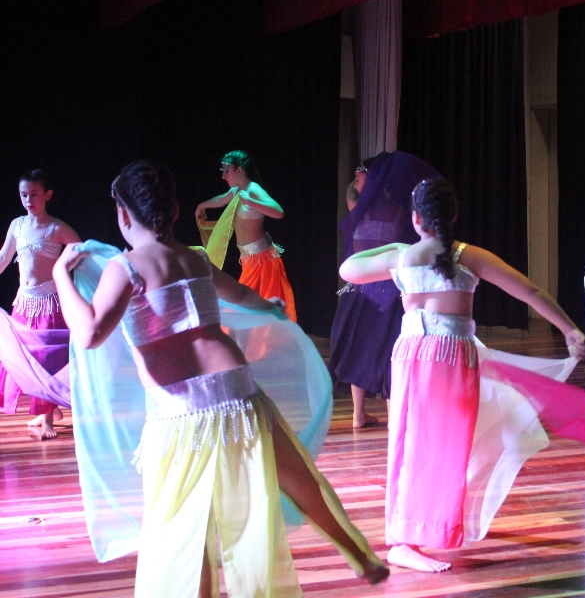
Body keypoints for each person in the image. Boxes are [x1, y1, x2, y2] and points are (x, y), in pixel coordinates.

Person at [53, 161, 386, 597]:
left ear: (123, 215)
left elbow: (90, 333)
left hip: (180, 409)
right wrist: (269, 307)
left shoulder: (126, 267)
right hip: (234, 387)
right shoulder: (193, 257)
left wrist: (60, 275)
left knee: (187, 527)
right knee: (296, 479)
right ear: (174, 210)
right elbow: (242, 294)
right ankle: (359, 554)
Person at [340, 177, 585, 573]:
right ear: (453, 215)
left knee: (416, 445)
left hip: (413, 355)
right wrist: (569, 329)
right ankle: (406, 538)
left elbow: (348, 269)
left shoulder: (402, 258)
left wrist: (394, 245)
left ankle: (419, 529)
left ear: (416, 218)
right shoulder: (468, 255)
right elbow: (530, 292)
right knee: (442, 446)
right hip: (450, 356)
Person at [329, 153, 440, 428]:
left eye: (360, 173)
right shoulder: (397, 209)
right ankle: (384, 417)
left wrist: (363, 178)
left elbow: (352, 193)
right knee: (385, 351)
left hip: (366, 291)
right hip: (384, 291)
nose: (356, 178)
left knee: (367, 350)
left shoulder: (359, 206)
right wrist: (366, 176)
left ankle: (361, 414)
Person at [0, 168, 80, 439]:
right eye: (24, 194)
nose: (28, 200)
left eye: (34, 194)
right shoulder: (17, 225)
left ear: (48, 195)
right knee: (26, 356)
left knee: (47, 360)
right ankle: (49, 411)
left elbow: (81, 250)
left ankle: (47, 418)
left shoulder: (56, 228)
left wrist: (64, 272)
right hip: (23, 302)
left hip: (49, 304)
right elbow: (3, 258)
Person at [194, 150, 296, 321]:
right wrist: (202, 206)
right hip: (250, 260)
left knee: (251, 308)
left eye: (227, 171)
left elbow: (278, 212)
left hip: (263, 261)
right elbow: (221, 200)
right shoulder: (237, 191)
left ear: (239, 170)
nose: (223, 176)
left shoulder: (253, 189)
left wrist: (250, 201)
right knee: (250, 308)